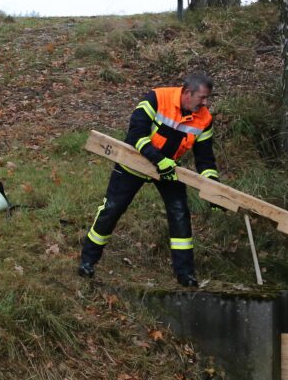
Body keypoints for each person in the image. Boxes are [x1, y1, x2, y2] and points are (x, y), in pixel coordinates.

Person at [78, 72, 219, 287]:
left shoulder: (205, 119)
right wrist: (158, 160)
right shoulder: (156, 98)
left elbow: (205, 159)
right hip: (134, 163)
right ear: (188, 93)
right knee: (112, 209)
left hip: (168, 171)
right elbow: (135, 135)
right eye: (202, 98)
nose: (205, 103)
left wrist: (213, 189)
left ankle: (185, 274)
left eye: (207, 98)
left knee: (180, 215)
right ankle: (87, 260)